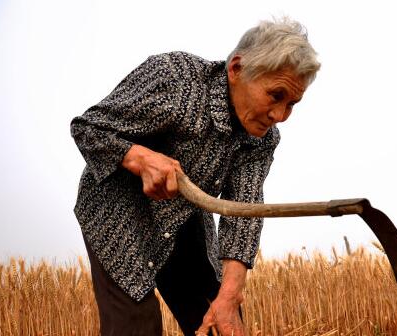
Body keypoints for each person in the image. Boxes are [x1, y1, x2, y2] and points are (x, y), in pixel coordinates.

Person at [71, 17, 320, 336]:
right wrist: (140, 158)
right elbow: (88, 128)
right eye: (275, 95)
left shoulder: (262, 137)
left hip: (183, 215)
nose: (280, 116)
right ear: (237, 69)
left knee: (220, 322)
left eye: (292, 104)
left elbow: (242, 212)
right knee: (137, 328)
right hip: (118, 215)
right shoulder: (174, 79)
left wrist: (229, 296)